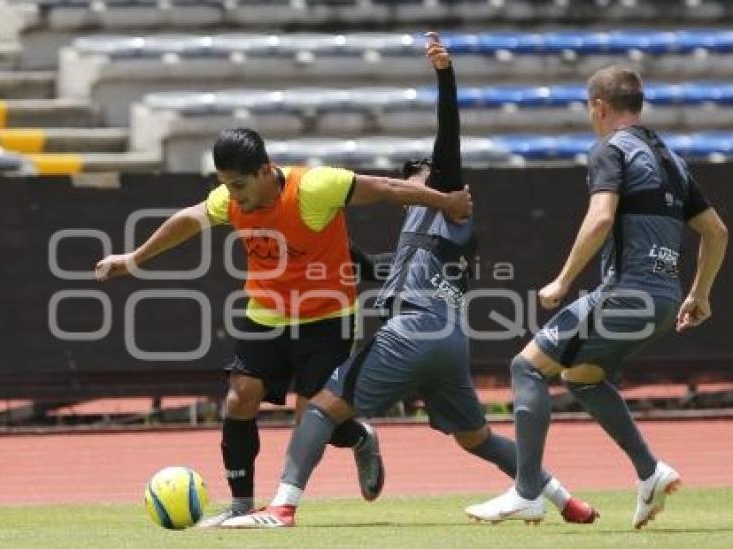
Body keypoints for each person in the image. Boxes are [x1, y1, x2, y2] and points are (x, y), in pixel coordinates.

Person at [222, 33, 598, 529]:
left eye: (418, 172)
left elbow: (448, 141)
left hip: (414, 332)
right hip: (448, 343)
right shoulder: (421, 237)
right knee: (477, 438)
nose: (412, 177)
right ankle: (568, 501)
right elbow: (366, 267)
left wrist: (445, 75)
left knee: (317, 411)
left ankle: (282, 508)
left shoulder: (448, 204)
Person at [95, 126, 472, 526]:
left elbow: (382, 188)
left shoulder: (314, 187)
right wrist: (134, 258)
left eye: (239, 184)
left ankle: (360, 437)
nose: (233, 195)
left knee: (312, 421)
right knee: (241, 397)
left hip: (327, 319)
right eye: (226, 185)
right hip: (267, 314)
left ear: (264, 170)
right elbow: (188, 220)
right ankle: (241, 505)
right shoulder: (231, 199)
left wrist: (444, 201)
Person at [466, 65, 728, 528]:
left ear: (599, 107)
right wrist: (700, 295)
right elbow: (717, 231)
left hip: (627, 293)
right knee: (583, 377)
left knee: (526, 366)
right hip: (665, 300)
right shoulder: (672, 159)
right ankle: (650, 472)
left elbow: (602, 217)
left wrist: (563, 280)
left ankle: (527, 492)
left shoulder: (611, 150)